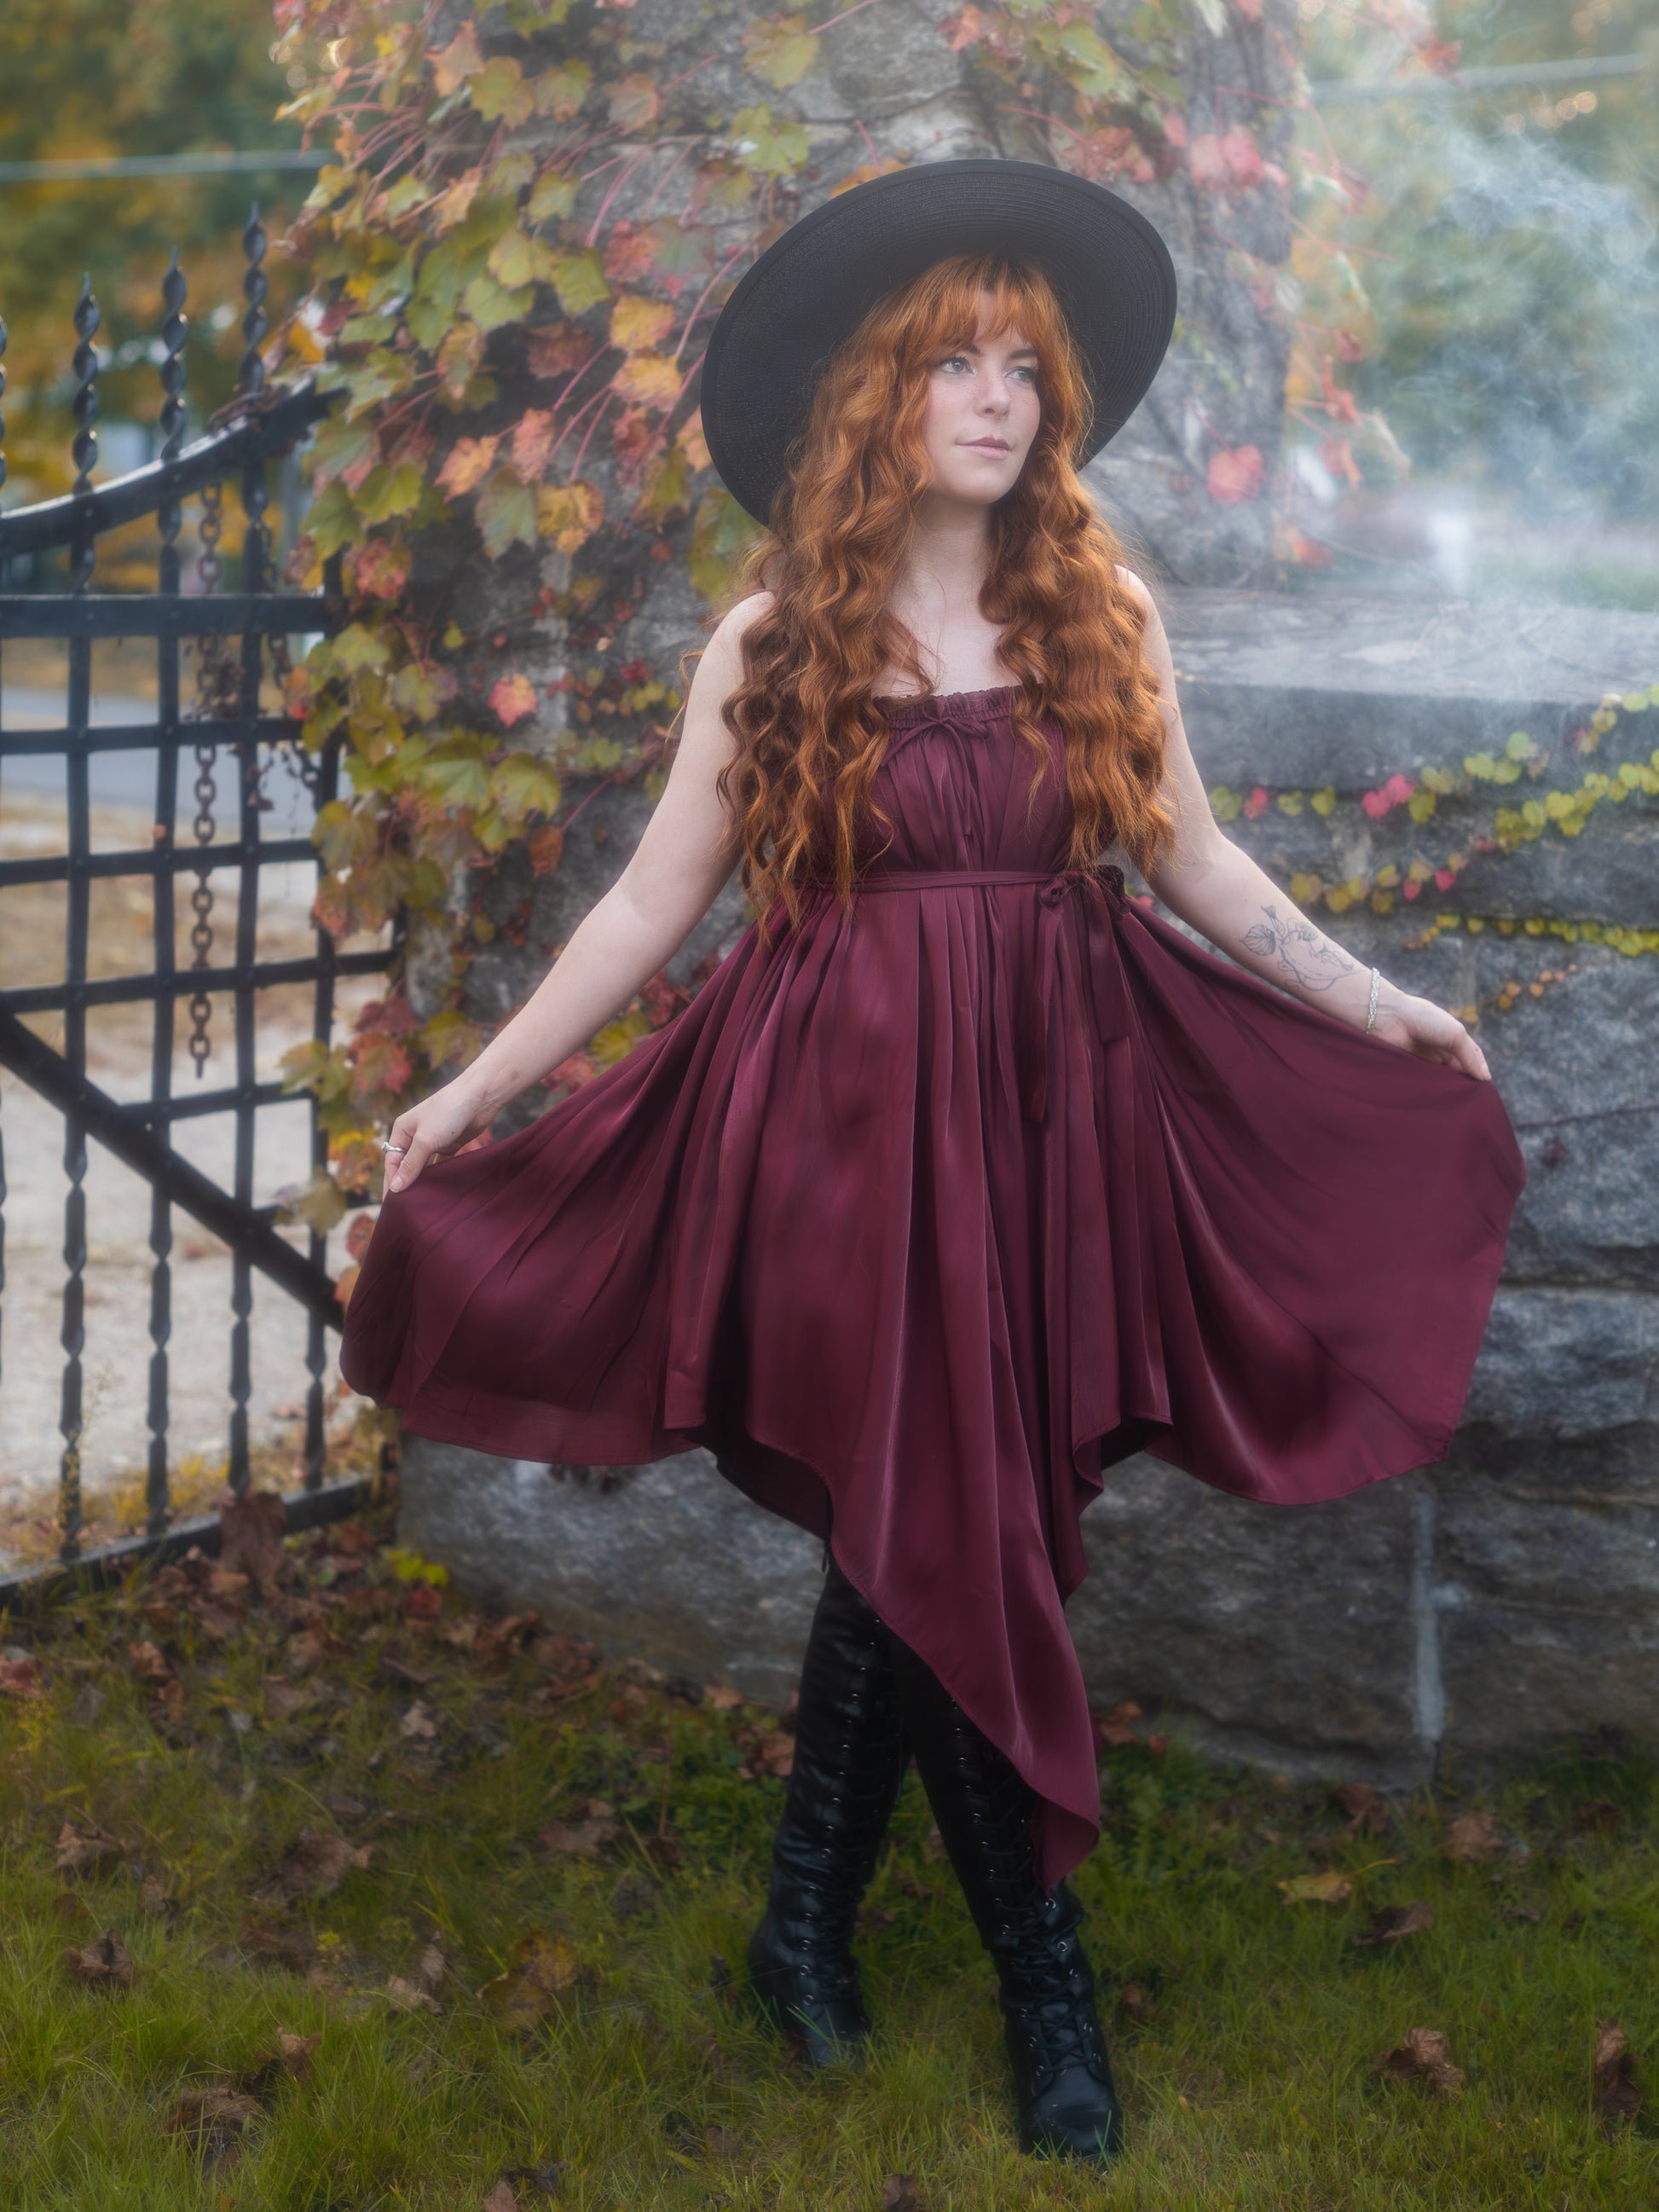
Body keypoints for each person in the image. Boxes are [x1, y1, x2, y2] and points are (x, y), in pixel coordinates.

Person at [340, 160, 1525, 2167]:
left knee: (927, 1516)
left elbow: (1196, 862)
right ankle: (1044, 1992)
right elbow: (648, 914)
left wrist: (1365, 999)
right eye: (954, 361)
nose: (997, 398)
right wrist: (469, 1094)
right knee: (947, 1510)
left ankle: (802, 1926)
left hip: (1051, 1119)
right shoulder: (774, 640)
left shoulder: (1098, 612)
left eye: (1021, 366)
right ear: (877, 394)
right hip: (843, 1133)